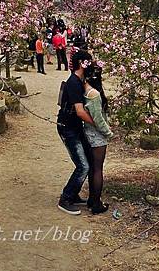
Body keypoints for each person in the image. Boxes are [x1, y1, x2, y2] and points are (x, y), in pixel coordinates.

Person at [56, 50, 96, 215]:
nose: (92, 65)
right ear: (82, 63)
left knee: (86, 162)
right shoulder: (73, 82)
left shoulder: (79, 80)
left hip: (75, 127)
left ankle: (73, 193)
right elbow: (79, 111)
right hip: (68, 128)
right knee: (83, 166)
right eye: (89, 62)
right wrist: (97, 124)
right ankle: (66, 198)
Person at [83, 62, 112, 214]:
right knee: (97, 169)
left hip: (88, 133)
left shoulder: (85, 89)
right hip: (96, 136)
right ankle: (96, 204)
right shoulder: (94, 94)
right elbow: (98, 119)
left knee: (92, 168)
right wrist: (108, 133)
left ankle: (92, 200)